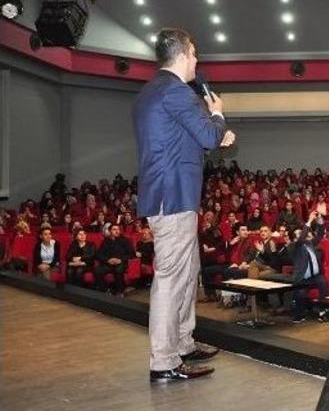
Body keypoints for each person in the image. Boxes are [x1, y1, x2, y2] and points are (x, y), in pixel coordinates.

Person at [134, 28, 233, 382]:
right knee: (171, 280)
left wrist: (215, 134)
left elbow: (185, 140)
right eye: (193, 53)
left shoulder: (152, 91)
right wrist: (218, 115)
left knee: (186, 274)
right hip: (172, 196)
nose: (196, 60)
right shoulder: (177, 92)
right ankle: (164, 361)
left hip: (171, 194)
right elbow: (207, 136)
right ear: (180, 55)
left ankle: (183, 342)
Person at [287, 211, 329, 323]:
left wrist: (320, 222)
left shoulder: (309, 243)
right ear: (293, 239)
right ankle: (300, 314)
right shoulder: (294, 246)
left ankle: (323, 311)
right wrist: (310, 220)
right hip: (302, 278)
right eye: (298, 234)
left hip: (316, 276)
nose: (303, 234)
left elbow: (320, 234)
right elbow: (301, 238)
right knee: (300, 294)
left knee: (324, 283)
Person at [94, 224, 133, 294]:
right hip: (109, 263)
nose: (117, 231)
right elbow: (99, 254)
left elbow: (131, 254)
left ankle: (120, 291)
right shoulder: (106, 241)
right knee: (97, 270)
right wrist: (107, 260)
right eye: (114, 229)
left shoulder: (125, 240)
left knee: (118, 270)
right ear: (109, 231)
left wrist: (120, 260)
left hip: (121, 263)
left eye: (118, 229)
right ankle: (104, 290)